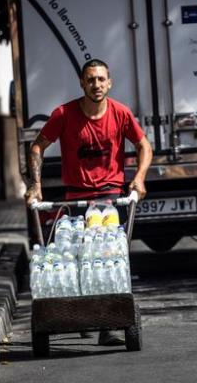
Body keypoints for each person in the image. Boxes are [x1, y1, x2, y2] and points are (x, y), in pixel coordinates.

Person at [24, 59, 153, 345]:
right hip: (76, 197)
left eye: (101, 79)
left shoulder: (120, 113)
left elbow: (144, 145)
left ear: (110, 82)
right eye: (90, 80)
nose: (96, 85)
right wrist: (35, 184)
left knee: (107, 259)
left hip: (109, 195)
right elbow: (38, 146)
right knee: (79, 259)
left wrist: (140, 178)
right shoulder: (64, 114)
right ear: (82, 83)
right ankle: (80, 314)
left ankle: (108, 326)